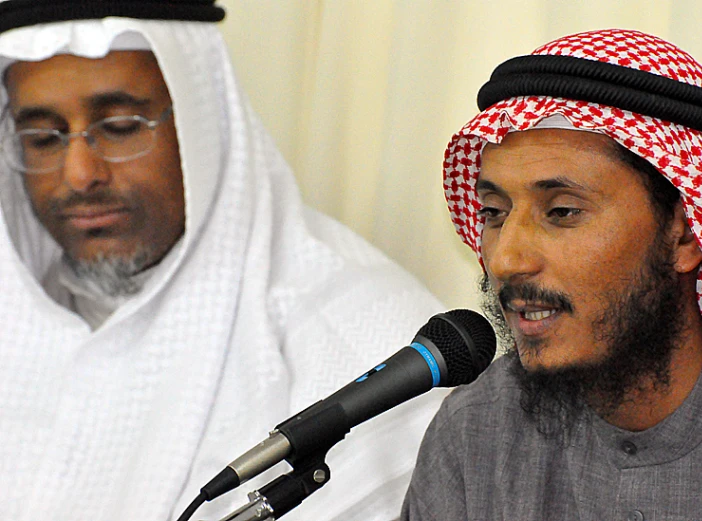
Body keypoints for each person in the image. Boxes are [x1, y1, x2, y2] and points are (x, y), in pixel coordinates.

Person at [0, 1, 449, 520]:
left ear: (202, 122)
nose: (80, 173)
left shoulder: (367, 338)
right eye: (42, 137)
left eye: (121, 127)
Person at [402, 28, 702, 521]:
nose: (505, 260)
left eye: (561, 211)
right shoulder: (476, 431)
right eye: (494, 212)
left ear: (687, 234)